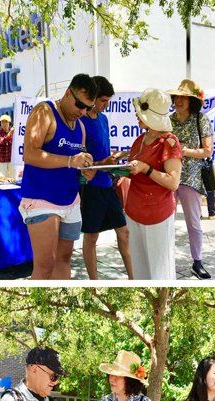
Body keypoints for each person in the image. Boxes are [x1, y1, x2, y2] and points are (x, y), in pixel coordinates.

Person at [20, 74, 98, 280]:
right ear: (67, 93)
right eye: (80, 104)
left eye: (88, 108)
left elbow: (76, 161)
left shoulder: (80, 126)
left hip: (71, 201)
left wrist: (86, 169)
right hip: (42, 199)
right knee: (45, 265)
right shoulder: (44, 112)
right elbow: (29, 153)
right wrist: (71, 160)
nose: (82, 112)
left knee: (64, 259)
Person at [125, 89, 182, 279]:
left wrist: (146, 169)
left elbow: (173, 182)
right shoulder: (140, 140)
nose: (136, 115)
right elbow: (135, 170)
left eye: (140, 113)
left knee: (160, 274)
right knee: (140, 272)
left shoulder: (169, 142)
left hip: (157, 214)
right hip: (134, 211)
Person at [80, 76, 134, 280]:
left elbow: (105, 151)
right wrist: (103, 162)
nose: (107, 105)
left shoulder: (104, 119)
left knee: (124, 231)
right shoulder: (81, 121)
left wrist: (116, 158)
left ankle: (132, 278)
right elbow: (82, 161)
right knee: (91, 236)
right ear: (92, 98)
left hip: (107, 184)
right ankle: (94, 282)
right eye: (103, 100)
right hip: (90, 187)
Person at [168, 79, 215, 279]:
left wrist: (184, 151)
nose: (179, 101)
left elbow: (207, 150)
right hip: (169, 176)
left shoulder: (200, 119)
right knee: (165, 221)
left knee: (193, 223)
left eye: (183, 97)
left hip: (191, 178)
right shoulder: (168, 120)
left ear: (191, 100)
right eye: (176, 97)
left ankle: (197, 262)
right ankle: (165, 261)